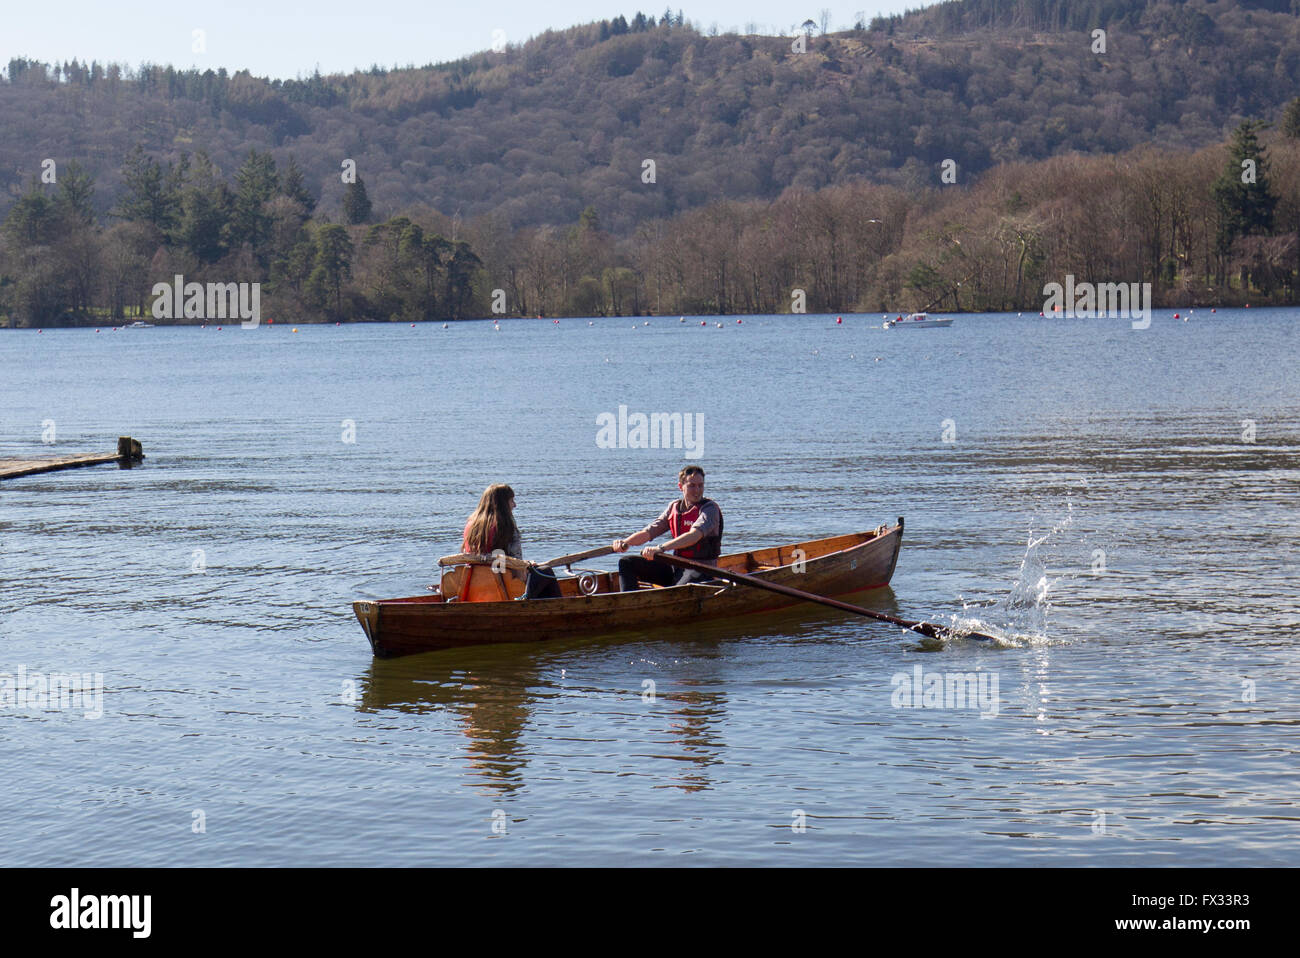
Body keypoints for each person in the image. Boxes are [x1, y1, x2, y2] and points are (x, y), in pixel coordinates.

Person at [612, 465, 723, 591]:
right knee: (626, 562)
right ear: (681, 487)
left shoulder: (709, 509)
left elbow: (694, 535)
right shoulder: (674, 507)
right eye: (692, 485)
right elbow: (649, 532)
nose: (697, 490)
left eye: (700, 485)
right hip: (676, 568)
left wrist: (660, 548)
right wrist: (625, 543)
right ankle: (629, 602)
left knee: (680, 588)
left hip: (701, 570)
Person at [461, 483, 560, 599]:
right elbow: (515, 564)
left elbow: (492, 555)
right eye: (512, 500)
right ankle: (560, 609)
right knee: (545, 571)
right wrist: (527, 566)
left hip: (476, 584)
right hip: (504, 585)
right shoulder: (505, 526)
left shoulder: (471, 525)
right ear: (503, 504)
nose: (515, 505)